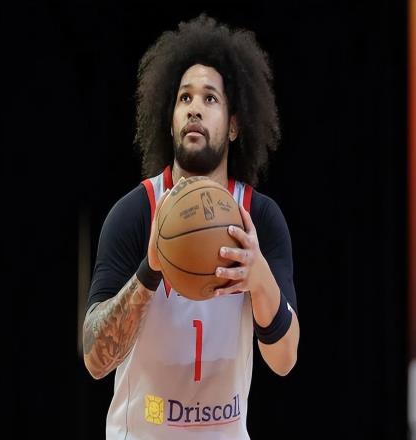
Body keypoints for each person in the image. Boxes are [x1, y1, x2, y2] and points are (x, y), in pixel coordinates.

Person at [83, 14, 300, 439]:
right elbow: (95, 361)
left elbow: (285, 360)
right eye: (184, 98)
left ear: (234, 125)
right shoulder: (136, 213)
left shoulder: (258, 218)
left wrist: (259, 279)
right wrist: (149, 271)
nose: (194, 108)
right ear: (170, 121)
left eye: (210, 98)